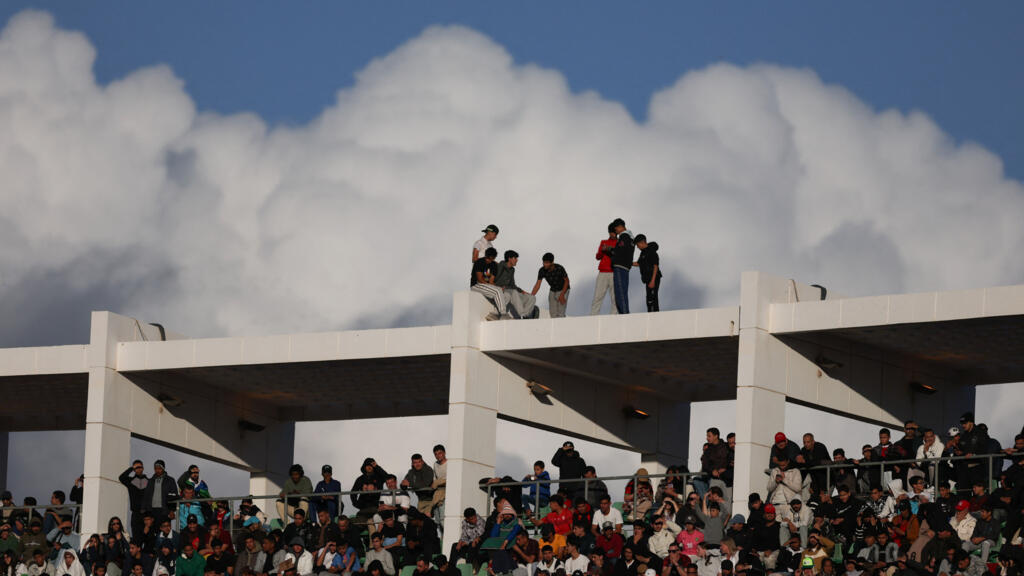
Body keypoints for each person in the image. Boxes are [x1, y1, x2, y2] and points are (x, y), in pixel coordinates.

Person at [494, 251, 539, 319]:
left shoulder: (512, 270)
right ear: (509, 258)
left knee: (532, 297)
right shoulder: (501, 265)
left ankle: (526, 316)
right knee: (513, 292)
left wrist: (522, 291)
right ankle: (522, 314)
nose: (517, 260)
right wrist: (499, 287)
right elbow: (494, 280)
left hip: (512, 292)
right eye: (515, 258)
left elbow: (513, 285)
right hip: (504, 291)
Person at [602, 219, 634, 315]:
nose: (616, 232)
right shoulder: (630, 237)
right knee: (623, 292)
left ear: (620, 227)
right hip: (625, 267)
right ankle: (625, 314)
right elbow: (621, 251)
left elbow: (618, 251)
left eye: (616, 229)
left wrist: (608, 249)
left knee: (620, 293)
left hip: (620, 266)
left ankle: (624, 315)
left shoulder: (624, 236)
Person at [471, 247, 511, 318]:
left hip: (486, 285)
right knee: (497, 291)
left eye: (492, 258)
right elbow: (480, 279)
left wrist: (498, 287)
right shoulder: (479, 262)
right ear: (486, 256)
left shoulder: (494, 265)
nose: (489, 260)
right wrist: (494, 287)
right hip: (476, 285)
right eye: (488, 258)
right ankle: (504, 314)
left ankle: (494, 314)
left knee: (507, 294)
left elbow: (491, 281)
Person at [591, 223, 619, 315]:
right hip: (603, 272)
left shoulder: (620, 243)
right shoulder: (603, 242)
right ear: (609, 232)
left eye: (614, 232)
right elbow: (597, 257)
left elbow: (619, 256)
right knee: (598, 296)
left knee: (615, 297)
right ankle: (593, 316)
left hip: (614, 272)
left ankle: (613, 316)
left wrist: (610, 249)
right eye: (611, 232)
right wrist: (602, 251)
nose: (613, 234)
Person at [532, 253, 570, 318]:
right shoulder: (542, 270)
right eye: (543, 262)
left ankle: (562, 323)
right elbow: (537, 285)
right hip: (553, 290)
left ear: (552, 262)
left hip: (563, 289)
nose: (545, 264)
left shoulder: (559, 268)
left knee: (560, 313)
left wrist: (562, 294)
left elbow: (567, 281)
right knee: (553, 314)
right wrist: (531, 296)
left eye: (547, 263)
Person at [141, 461, 178, 527]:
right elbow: (146, 495)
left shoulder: (170, 480)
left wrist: (172, 510)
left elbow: (174, 496)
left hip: (165, 510)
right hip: (152, 511)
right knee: (153, 530)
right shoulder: (151, 481)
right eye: (155, 468)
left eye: (159, 468)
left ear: (163, 468)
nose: (157, 470)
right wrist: (143, 508)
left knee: (165, 530)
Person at [632, 235, 662, 313]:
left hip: (654, 278)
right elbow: (638, 263)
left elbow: (655, 266)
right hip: (647, 279)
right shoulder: (643, 253)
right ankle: (650, 314)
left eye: (638, 245)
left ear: (642, 242)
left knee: (652, 297)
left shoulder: (652, 251)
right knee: (649, 298)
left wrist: (653, 281)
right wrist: (628, 263)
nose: (637, 247)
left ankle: (655, 315)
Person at [429, 445, 447, 519]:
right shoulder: (435, 464)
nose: (438, 456)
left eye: (440, 453)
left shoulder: (450, 463)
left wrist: (438, 482)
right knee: (437, 520)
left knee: (443, 518)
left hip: (446, 492)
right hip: (437, 491)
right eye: (436, 454)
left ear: (444, 453)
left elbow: (452, 479)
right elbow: (434, 479)